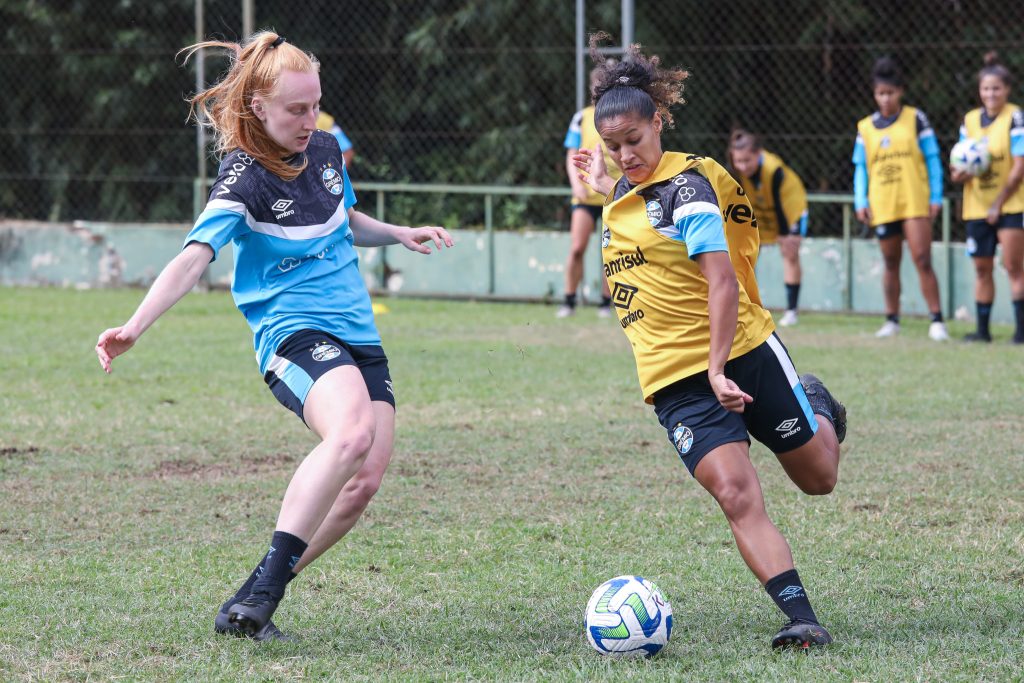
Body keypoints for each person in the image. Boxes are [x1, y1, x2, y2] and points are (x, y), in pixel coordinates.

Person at [95, 32, 453, 640]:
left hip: (358, 333)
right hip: (294, 333)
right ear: (259, 106)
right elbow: (193, 257)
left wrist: (397, 232)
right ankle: (261, 595)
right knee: (351, 434)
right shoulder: (243, 178)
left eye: (315, 105)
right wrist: (134, 325)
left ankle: (253, 596)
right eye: (295, 109)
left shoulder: (325, 148)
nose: (309, 119)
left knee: (362, 481)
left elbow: (341, 219)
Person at [572, 33, 846, 650]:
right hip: (675, 382)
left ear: (659, 122)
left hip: (742, 354)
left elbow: (721, 283)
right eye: (611, 147)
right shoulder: (624, 191)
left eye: (634, 142)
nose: (624, 156)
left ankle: (817, 404)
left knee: (819, 478)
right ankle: (800, 617)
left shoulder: (688, 189)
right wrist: (601, 183)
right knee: (734, 490)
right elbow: (636, 210)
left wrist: (720, 366)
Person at [853, 57, 949, 341]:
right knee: (890, 261)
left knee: (922, 258)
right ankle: (892, 319)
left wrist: (936, 195)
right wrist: (861, 200)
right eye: (880, 93)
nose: (885, 99)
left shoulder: (916, 119)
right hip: (883, 202)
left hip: (914, 200)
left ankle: (937, 320)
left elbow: (933, 160)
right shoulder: (865, 127)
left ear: (901, 92)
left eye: (890, 93)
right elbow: (861, 167)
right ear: (874, 94)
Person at [950, 53, 1024, 343]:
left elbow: (1019, 166)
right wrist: (960, 174)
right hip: (977, 206)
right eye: (985, 89)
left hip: (1011, 205)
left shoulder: (1015, 117)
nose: (991, 94)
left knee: (1014, 266)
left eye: (996, 88)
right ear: (979, 91)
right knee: (982, 268)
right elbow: (962, 161)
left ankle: (1020, 332)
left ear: (1006, 89)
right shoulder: (970, 120)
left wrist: (998, 204)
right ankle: (982, 331)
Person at [558, 66, 623, 318]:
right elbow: (571, 154)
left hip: (613, 194)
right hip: (585, 195)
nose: (599, 89)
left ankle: (606, 303)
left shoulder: (621, 115)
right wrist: (576, 184)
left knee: (612, 251)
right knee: (577, 247)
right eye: (597, 84)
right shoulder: (581, 117)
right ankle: (569, 300)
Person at [728, 129, 808, 327]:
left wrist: (783, 235)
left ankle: (791, 311)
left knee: (790, 253)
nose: (743, 166)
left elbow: (780, 206)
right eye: (739, 161)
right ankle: (746, 305)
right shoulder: (735, 170)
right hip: (761, 208)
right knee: (746, 253)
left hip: (789, 206)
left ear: (758, 154)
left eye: (747, 160)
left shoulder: (774, 170)